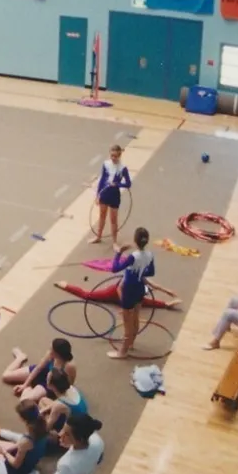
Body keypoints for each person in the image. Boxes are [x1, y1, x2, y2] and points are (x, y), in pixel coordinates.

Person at [108, 227, 155, 360]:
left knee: (127, 320)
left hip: (129, 290)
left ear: (135, 240)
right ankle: (131, 343)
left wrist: (119, 253)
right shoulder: (150, 254)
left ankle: (123, 351)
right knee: (135, 317)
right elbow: (151, 272)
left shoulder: (133, 257)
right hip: (140, 288)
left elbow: (115, 268)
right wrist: (140, 272)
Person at [3, 338, 76, 403]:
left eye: (51, 349)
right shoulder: (51, 354)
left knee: (24, 400)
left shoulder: (69, 366)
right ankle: (20, 357)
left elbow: (68, 386)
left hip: (49, 384)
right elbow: (38, 368)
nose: (49, 350)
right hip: (43, 372)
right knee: (6, 376)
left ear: (57, 353)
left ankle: (30, 389)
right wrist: (25, 384)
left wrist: (56, 394)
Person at [90, 144, 131, 245]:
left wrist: (118, 184)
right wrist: (98, 194)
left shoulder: (123, 168)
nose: (113, 158)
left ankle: (114, 242)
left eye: (115, 156)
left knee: (113, 219)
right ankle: (98, 236)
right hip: (104, 193)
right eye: (111, 155)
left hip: (114, 196)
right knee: (102, 216)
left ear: (119, 155)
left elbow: (128, 183)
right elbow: (102, 179)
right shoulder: (106, 164)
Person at [42, 367, 89, 434]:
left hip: (74, 430)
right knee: (43, 401)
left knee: (47, 420)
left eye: (47, 378)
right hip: (82, 418)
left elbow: (48, 426)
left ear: (51, 385)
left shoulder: (58, 405)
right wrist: (43, 410)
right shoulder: (71, 388)